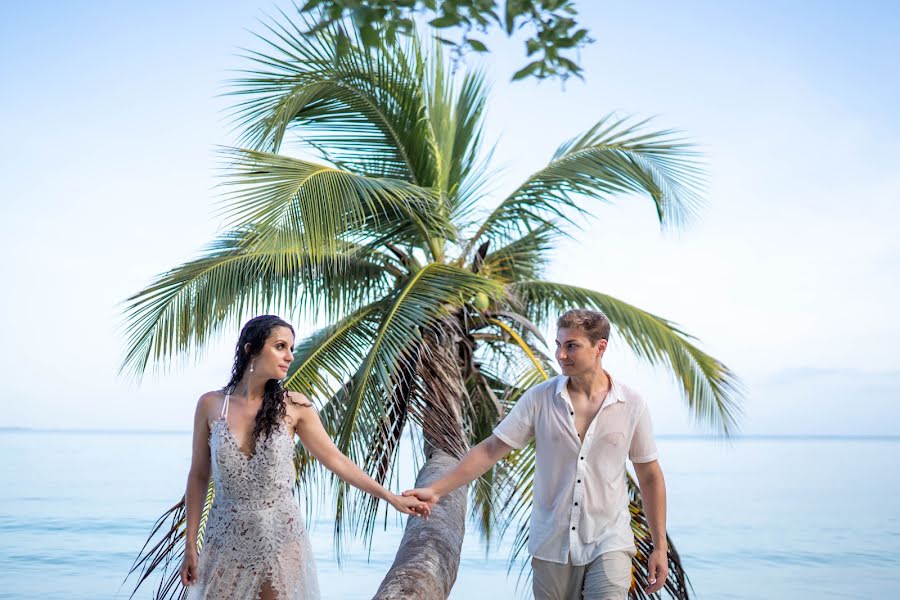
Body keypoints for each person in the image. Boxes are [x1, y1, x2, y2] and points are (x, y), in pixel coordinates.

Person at [404, 309, 668, 600]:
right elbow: (491, 448)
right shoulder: (540, 399)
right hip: (551, 544)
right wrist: (436, 490)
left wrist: (660, 548)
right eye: (558, 344)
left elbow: (650, 476)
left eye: (572, 346)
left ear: (600, 347)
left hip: (609, 540)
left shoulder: (631, 404)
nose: (561, 355)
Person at [179, 315, 428, 599]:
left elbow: (336, 460)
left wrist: (391, 497)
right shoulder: (211, 405)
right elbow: (199, 474)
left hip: (280, 538)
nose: (289, 356)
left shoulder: (295, 406)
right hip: (223, 539)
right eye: (280, 346)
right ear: (251, 349)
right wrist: (190, 543)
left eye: (291, 348)